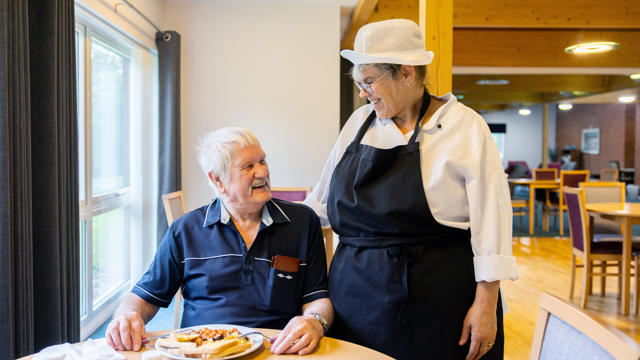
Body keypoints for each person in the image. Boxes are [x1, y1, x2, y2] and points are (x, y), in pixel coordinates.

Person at [303, 19, 518, 360]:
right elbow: (320, 206)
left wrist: (486, 304)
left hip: (440, 306)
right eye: (359, 83)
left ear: (406, 73)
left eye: (370, 81)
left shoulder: (464, 127)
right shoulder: (358, 124)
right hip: (356, 303)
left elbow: (492, 222)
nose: (362, 93)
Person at [106, 127, 333, 356]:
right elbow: (144, 296)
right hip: (202, 352)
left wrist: (315, 321)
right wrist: (126, 315)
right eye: (248, 166)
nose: (262, 172)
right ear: (217, 179)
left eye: (263, 161)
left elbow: (318, 297)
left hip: (277, 351)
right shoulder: (185, 230)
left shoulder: (304, 223)